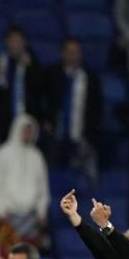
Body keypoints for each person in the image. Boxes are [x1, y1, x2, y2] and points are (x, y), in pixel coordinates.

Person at [0, 115, 49, 251]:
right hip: (8, 216)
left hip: (32, 217)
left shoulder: (37, 156)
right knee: (6, 255)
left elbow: (43, 187)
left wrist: (41, 211)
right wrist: (0, 210)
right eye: (25, 129)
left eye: (30, 130)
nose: (27, 133)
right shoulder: (1, 154)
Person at [42, 38, 101, 172]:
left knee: (79, 183)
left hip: (81, 137)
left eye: (76, 52)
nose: (73, 55)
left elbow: (96, 107)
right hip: (56, 136)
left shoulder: (90, 78)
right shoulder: (51, 74)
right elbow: (41, 98)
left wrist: (90, 131)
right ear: (62, 53)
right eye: (69, 52)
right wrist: (46, 120)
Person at [0, 25, 41, 137]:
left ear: (24, 42)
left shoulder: (33, 61)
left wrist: (30, 67)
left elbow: (40, 88)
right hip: (6, 118)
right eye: (12, 41)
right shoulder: (1, 62)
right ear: (6, 42)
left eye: (18, 41)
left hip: (27, 118)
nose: (15, 44)